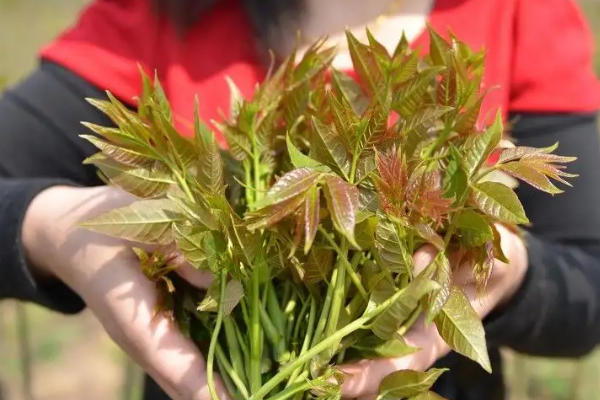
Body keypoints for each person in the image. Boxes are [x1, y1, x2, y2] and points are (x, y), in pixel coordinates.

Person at [1, 0, 600, 399]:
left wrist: (510, 271)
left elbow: (588, 275)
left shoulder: (523, 14)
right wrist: (52, 227)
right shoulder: (157, 13)